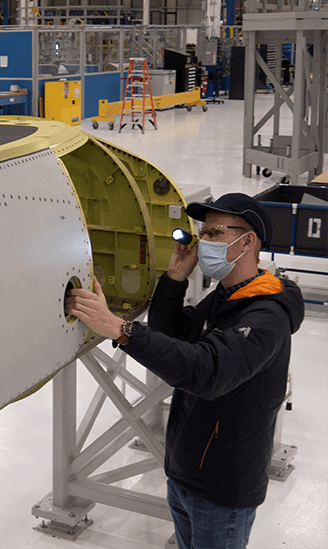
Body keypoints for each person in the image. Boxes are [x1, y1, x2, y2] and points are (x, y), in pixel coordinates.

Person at [65, 193, 304, 549]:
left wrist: (120, 329)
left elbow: (207, 371)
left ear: (247, 241)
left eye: (214, 233)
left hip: (222, 487)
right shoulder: (226, 296)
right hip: (186, 470)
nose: (203, 242)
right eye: (202, 233)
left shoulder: (265, 315)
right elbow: (172, 333)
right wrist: (175, 279)